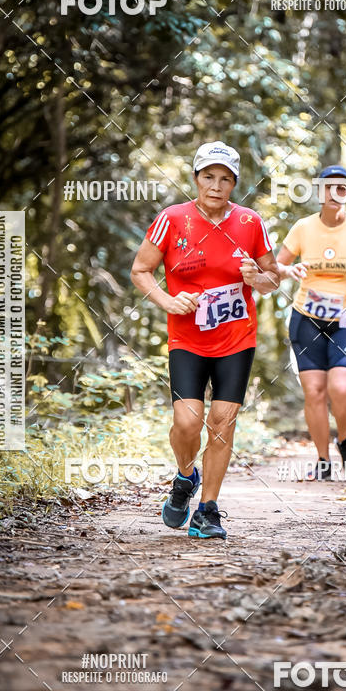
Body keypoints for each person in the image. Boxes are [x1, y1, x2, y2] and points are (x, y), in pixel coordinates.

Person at [130, 141, 279, 539]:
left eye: (225, 178)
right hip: (187, 339)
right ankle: (184, 477)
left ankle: (207, 510)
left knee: (222, 423)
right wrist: (167, 300)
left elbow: (273, 279)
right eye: (209, 176)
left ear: (234, 183)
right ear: (196, 179)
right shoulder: (172, 219)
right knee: (186, 421)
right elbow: (141, 270)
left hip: (237, 337)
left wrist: (256, 278)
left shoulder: (250, 223)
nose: (216, 185)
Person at [276, 165, 346, 479]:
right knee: (314, 392)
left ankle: (344, 438)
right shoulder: (302, 228)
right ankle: (323, 460)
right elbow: (276, 265)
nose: (334, 193)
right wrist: (290, 271)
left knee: (341, 386)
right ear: (319, 191)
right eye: (328, 187)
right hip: (307, 317)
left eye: (342, 187)